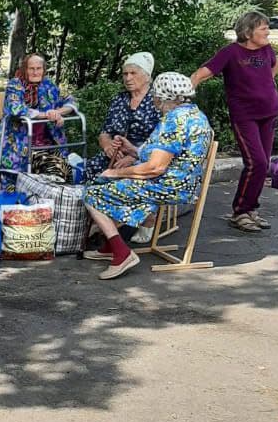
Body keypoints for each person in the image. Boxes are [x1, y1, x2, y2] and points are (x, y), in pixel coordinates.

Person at [83, 72, 212, 280]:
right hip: (180, 182)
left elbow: (155, 168)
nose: (153, 100)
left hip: (167, 185)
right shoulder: (195, 114)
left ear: (164, 97)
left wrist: (116, 173)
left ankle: (121, 253)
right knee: (114, 187)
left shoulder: (174, 120)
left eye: (155, 96)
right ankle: (108, 246)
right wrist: (133, 150)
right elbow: (166, 157)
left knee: (92, 194)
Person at [190, 11, 278, 233]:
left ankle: (251, 210)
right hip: (245, 116)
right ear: (248, 32)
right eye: (263, 28)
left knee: (263, 164)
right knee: (256, 162)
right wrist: (182, 95)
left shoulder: (267, 49)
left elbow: (274, 67)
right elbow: (201, 74)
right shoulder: (231, 52)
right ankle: (239, 212)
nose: (268, 31)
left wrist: (265, 86)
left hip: (269, 112)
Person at [82, 52, 162, 243]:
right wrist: (108, 146)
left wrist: (135, 156)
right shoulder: (120, 99)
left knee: (126, 176)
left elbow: (160, 140)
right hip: (116, 153)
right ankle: (101, 220)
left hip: (145, 156)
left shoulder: (157, 101)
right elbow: (104, 132)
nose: (128, 78)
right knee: (91, 168)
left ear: (146, 76)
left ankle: (145, 219)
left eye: (133, 73)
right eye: (125, 74)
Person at [0, 53, 77, 186]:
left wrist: (57, 113)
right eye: (31, 68)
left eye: (38, 68)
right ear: (25, 69)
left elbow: (71, 101)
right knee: (56, 170)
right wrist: (46, 115)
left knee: (67, 172)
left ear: (44, 70)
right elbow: (15, 108)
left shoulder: (49, 85)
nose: (35, 72)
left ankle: (51, 202)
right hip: (20, 146)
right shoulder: (15, 85)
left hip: (47, 144)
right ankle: (38, 200)